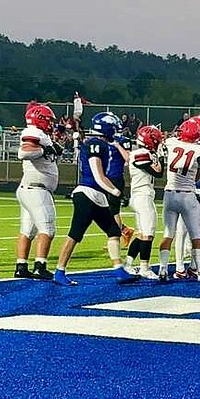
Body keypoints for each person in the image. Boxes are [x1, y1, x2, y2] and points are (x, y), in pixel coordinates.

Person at [52, 112, 138, 286]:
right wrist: (116, 192)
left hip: (97, 195)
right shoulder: (95, 145)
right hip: (87, 193)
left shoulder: (100, 144)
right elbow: (99, 175)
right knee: (75, 234)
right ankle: (59, 271)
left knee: (114, 231)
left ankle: (119, 269)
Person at [158, 117, 200, 283]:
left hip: (169, 194)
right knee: (196, 235)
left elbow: (165, 142)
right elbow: (199, 176)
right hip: (187, 194)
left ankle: (163, 270)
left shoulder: (171, 142)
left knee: (168, 234)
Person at [14, 104, 61, 280]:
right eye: (49, 120)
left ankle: (21, 266)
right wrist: (44, 150)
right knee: (48, 229)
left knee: (27, 231)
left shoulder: (41, 134)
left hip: (30, 189)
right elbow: (23, 152)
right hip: (37, 190)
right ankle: (40, 266)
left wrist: (51, 149)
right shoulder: (34, 131)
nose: (51, 123)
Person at [124, 125, 165, 280]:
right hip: (142, 196)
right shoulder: (140, 153)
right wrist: (160, 157)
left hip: (143, 196)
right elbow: (158, 173)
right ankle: (144, 268)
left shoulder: (144, 152)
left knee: (142, 234)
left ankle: (128, 265)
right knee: (147, 234)